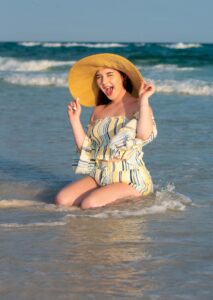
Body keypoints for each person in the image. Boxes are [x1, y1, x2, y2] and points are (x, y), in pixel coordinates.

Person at [55, 53, 157, 209]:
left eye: (109, 75)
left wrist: (144, 100)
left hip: (130, 178)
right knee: (62, 200)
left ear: (123, 77)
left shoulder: (139, 105)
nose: (103, 82)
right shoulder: (99, 110)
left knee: (89, 204)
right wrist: (75, 120)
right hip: (100, 175)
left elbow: (143, 135)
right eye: (99, 77)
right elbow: (87, 150)